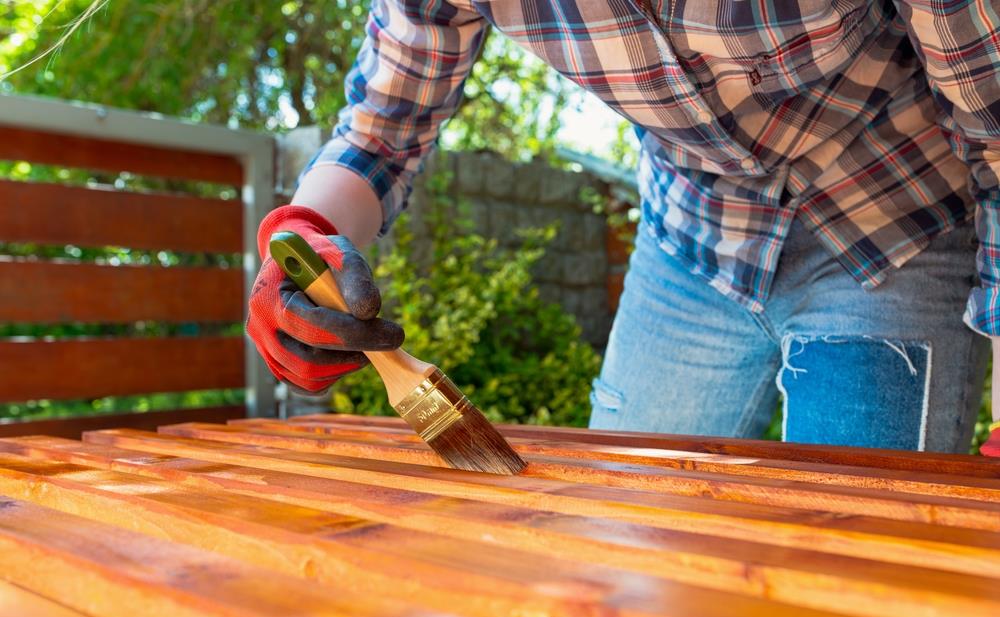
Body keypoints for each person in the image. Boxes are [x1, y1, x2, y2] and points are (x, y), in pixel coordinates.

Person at [247, 1, 1000, 455]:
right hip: (693, 241)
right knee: (625, 545)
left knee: (859, 578)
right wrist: (308, 230)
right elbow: (383, 132)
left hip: (895, 224)